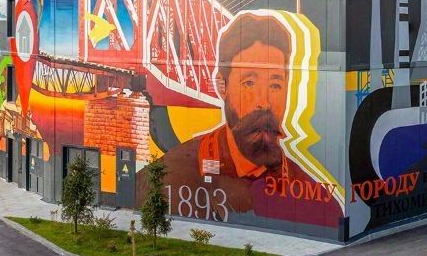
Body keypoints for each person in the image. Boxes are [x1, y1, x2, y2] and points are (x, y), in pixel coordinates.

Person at [138, 12, 337, 226]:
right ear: (222, 86)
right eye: (249, 83)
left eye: (275, 85)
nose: (264, 102)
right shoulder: (167, 177)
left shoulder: (320, 202)